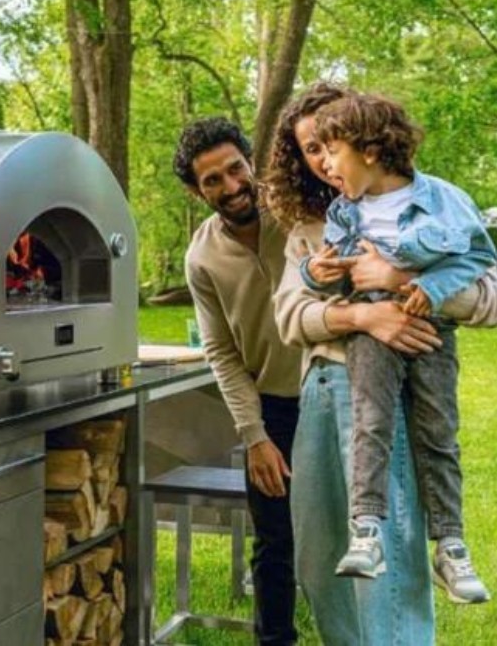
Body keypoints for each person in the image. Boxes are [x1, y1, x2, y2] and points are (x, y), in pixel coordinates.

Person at [267, 82, 497, 643]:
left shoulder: (428, 205)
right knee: (323, 559)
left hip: (379, 389)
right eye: (310, 149)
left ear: (363, 140)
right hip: (318, 393)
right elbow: (290, 317)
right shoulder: (314, 230)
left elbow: (488, 290)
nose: (322, 159)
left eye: (329, 144)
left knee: (387, 564)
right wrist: (363, 318)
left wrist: (407, 284)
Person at [173, 117, 303, 645]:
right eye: (212, 181)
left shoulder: (300, 213)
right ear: (195, 190)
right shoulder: (201, 258)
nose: (230, 187)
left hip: (337, 392)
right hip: (274, 409)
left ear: (252, 163)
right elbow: (222, 353)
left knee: (354, 533)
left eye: (235, 169)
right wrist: (255, 437)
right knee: (274, 544)